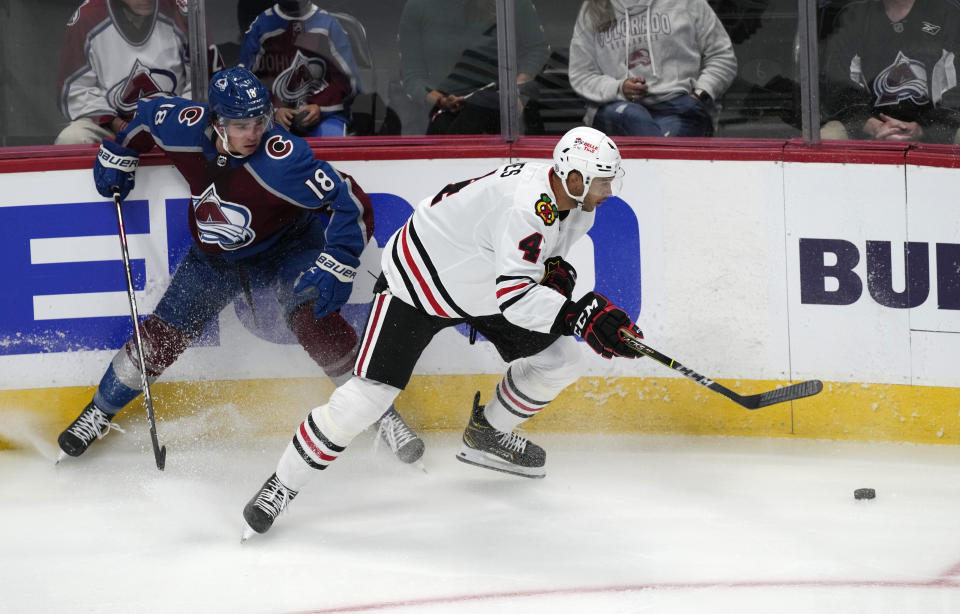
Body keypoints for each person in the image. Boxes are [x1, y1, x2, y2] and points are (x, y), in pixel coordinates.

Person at [240, 126, 645, 540]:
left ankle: (487, 433)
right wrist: (578, 316)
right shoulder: (528, 205)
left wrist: (558, 282)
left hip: (486, 286)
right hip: (418, 286)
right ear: (573, 178)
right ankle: (281, 485)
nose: (609, 191)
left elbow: (527, 272)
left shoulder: (579, 206)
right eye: (603, 181)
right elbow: (517, 296)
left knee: (562, 360)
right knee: (365, 399)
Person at [56, 66, 423, 466]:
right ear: (216, 120)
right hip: (215, 260)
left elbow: (348, 200)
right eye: (242, 124)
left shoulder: (284, 160)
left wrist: (339, 260)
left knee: (313, 317)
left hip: (288, 247)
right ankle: (98, 412)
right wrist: (122, 150)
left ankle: (382, 416)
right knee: (160, 337)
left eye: (260, 121)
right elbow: (146, 115)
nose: (255, 133)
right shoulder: (183, 126)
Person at [568, 0, 737, 137]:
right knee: (634, 117)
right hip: (618, 106)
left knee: (663, 146)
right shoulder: (594, 7)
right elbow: (581, 74)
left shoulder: (688, 3)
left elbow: (722, 56)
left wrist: (700, 95)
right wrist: (619, 88)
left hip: (679, 105)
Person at [398, 0, 550, 134]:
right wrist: (442, 101)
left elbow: (537, 49)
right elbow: (412, 75)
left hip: (508, 119)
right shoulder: (418, 6)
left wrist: (514, 91)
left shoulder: (513, 3)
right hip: (445, 120)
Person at [820, 0, 960, 143]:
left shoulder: (948, 13)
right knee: (828, 137)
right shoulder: (854, 15)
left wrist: (924, 128)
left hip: (934, 128)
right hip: (865, 126)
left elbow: (956, 93)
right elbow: (837, 83)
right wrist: (870, 124)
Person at [56, 0, 195, 145]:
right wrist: (118, 125)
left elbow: (204, 82)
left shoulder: (185, 11)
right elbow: (76, 89)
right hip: (112, 128)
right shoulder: (88, 17)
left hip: (176, 125)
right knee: (72, 138)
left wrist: (174, 122)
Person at [238, 0, 361, 137]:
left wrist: (319, 107)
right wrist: (272, 109)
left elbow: (349, 80)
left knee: (332, 138)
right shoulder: (262, 26)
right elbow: (245, 80)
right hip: (273, 117)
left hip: (325, 117)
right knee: (260, 143)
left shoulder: (328, 25)